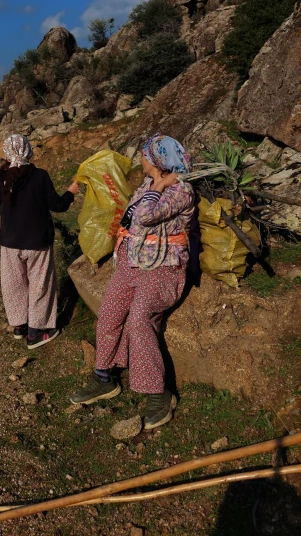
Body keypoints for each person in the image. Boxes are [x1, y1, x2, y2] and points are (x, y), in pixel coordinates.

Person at [70, 133, 195, 430]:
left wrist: (162, 186)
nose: (141, 159)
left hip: (161, 267)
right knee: (110, 315)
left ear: (157, 160)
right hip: (130, 263)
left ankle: (157, 393)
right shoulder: (146, 185)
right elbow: (129, 217)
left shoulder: (180, 191)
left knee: (139, 320)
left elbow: (146, 217)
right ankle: (104, 378)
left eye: (145, 155)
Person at [0, 134, 80, 349]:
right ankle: (35, 332)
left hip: (10, 242)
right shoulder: (40, 176)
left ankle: (19, 326)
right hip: (37, 241)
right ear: (28, 150)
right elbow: (57, 205)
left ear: (7, 152)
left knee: (14, 284)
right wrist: (70, 192)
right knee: (40, 285)